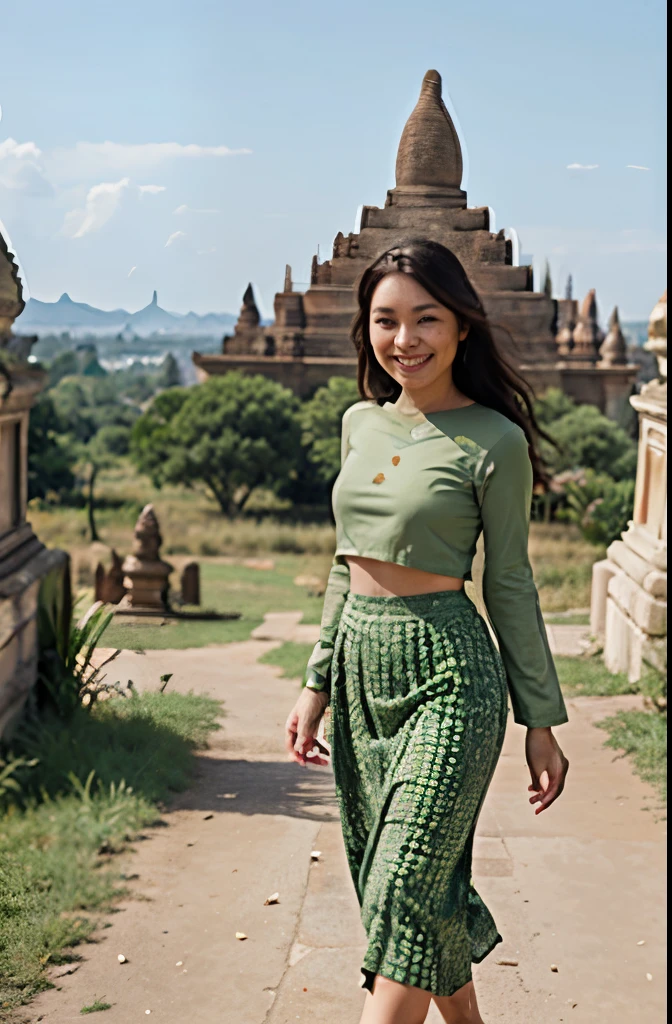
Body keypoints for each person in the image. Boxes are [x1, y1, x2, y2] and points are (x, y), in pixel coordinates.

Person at [284, 239, 570, 1024]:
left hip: (450, 675)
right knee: (412, 886)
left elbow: (508, 580)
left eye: (425, 320)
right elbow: (347, 565)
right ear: (367, 330)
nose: (404, 340)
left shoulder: (495, 440)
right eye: (386, 321)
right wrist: (316, 682)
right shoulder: (358, 425)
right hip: (362, 679)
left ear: (463, 328)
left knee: (405, 879)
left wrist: (539, 719)